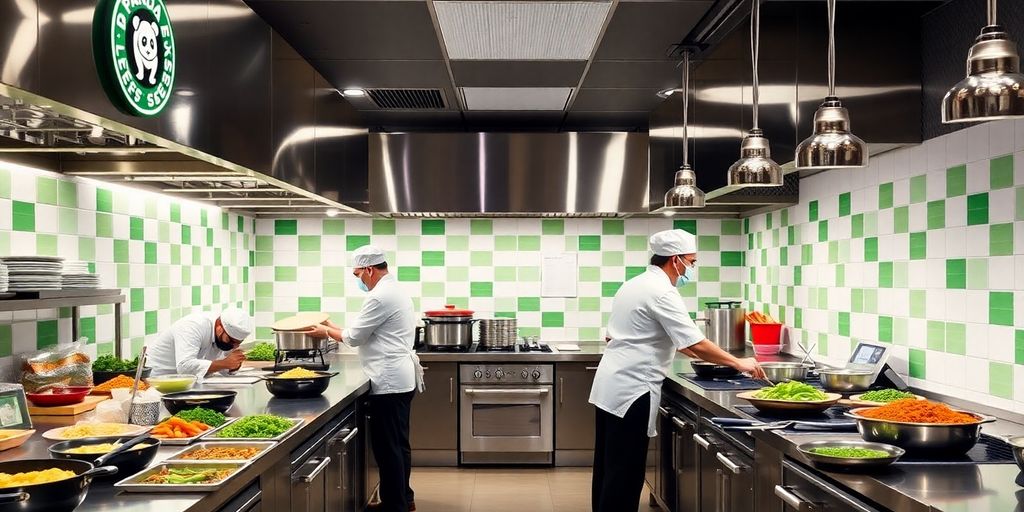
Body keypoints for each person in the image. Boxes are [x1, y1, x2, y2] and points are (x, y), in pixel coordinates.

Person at [589, 229, 766, 512]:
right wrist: (738, 362)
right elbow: (695, 342)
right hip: (632, 390)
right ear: (676, 260)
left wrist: (708, 352)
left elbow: (673, 339)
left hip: (611, 387)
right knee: (625, 472)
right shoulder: (662, 292)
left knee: (610, 468)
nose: (692, 269)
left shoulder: (635, 284)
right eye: (692, 262)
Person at [305, 245, 422, 512]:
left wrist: (325, 332)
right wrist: (330, 326)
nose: (358, 279)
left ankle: (395, 505)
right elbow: (362, 331)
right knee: (399, 444)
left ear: (369, 270)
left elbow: (355, 337)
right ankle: (404, 497)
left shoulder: (379, 297)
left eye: (358, 274)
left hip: (389, 381)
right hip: (399, 379)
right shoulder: (394, 290)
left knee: (388, 448)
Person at [146, 307, 253, 377]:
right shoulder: (193, 326)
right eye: (231, 341)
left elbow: (220, 365)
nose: (234, 346)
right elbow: (185, 366)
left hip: (187, 382)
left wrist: (233, 365)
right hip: (159, 380)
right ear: (220, 327)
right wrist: (225, 363)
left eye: (239, 342)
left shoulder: (224, 337)